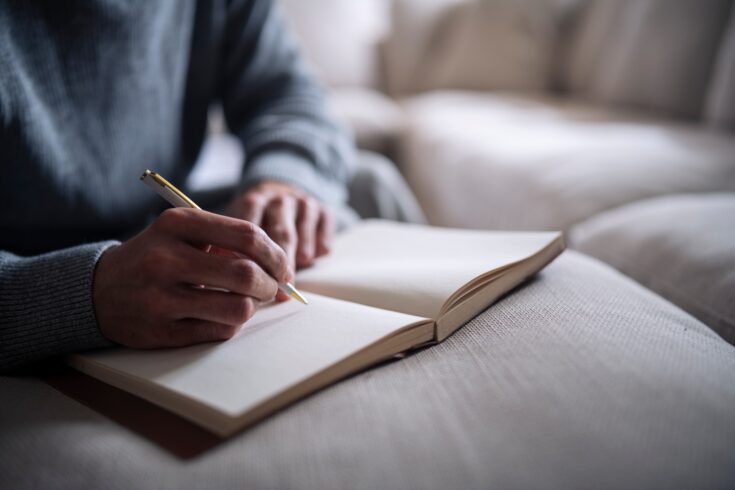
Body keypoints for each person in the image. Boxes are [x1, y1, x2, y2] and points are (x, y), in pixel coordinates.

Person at [0, 0, 416, 372]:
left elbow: (288, 93)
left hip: (151, 230)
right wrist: (86, 294)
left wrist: (284, 182)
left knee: (369, 183)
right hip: (33, 272)